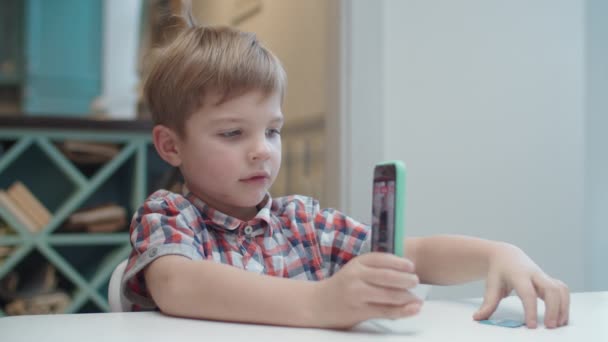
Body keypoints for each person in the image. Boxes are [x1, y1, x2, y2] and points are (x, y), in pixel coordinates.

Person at [121, 10, 569, 330]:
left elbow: (410, 254)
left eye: (272, 131)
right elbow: (179, 285)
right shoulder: (168, 215)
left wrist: (496, 254)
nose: (262, 151)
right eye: (233, 134)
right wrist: (321, 302)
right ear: (171, 145)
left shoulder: (303, 223)